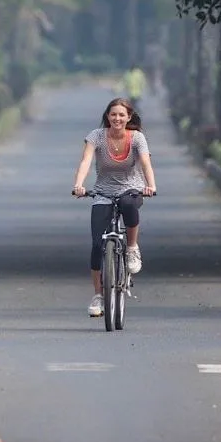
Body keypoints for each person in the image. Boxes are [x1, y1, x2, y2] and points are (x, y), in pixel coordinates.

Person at [72, 98, 157, 318]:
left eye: (121, 115)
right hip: (103, 192)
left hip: (132, 189)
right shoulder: (96, 136)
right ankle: (98, 295)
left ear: (128, 117)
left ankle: (131, 248)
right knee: (96, 243)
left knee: (129, 205)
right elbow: (85, 161)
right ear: (107, 117)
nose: (117, 118)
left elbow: (146, 163)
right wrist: (79, 185)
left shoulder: (137, 138)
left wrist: (150, 185)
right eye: (113, 115)